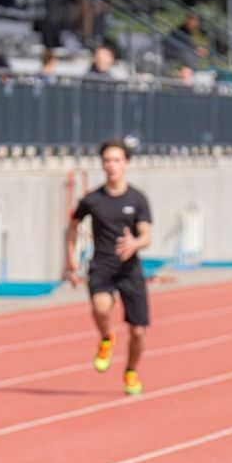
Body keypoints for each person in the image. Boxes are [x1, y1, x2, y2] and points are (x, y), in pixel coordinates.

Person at [64, 138, 153, 396]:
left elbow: (147, 235)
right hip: (101, 265)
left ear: (126, 163)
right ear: (102, 165)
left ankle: (131, 371)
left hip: (129, 269)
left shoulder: (137, 198)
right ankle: (106, 338)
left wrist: (135, 243)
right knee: (101, 307)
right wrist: (71, 261)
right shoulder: (92, 199)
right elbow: (72, 227)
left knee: (138, 331)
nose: (112, 165)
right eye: (107, 161)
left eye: (117, 160)